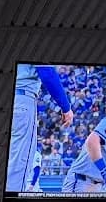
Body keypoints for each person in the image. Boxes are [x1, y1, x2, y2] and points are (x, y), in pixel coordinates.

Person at [8, 64, 74, 192]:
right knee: (19, 161)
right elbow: (47, 73)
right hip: (22, 97)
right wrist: (66, 107)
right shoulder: (38, 45)